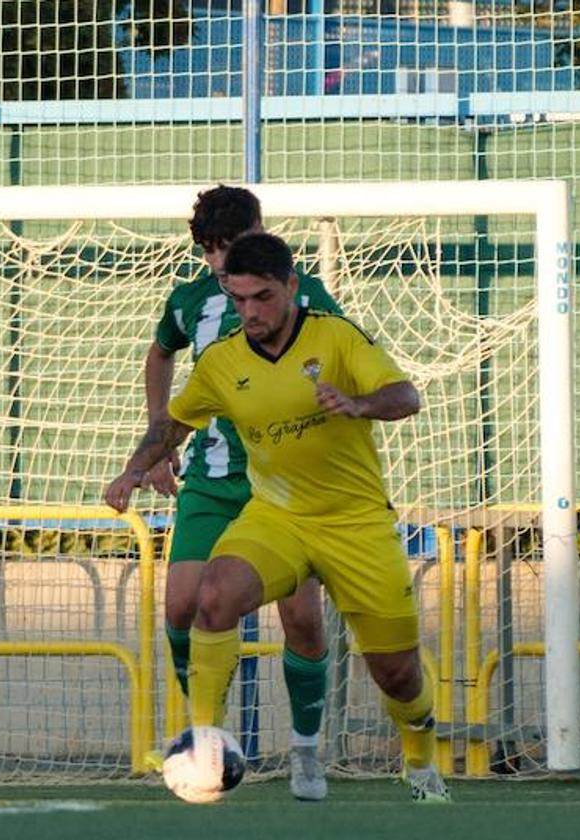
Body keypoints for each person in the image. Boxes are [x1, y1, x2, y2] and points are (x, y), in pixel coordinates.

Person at [106, 231, 450, 803]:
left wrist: (359, 404)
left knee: (397, 675)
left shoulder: (334, 338)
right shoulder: (222, 361)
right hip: (277, 519)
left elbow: (405, 395)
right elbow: (173, 424)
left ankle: (419, 759)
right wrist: (134, 469)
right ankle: (204, 746)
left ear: (291, 286)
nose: (250, 312)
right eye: (238, 299)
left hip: (355, 524)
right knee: (213, 596)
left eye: (261, 297)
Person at [134, 185, 340, 800]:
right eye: (213, 252)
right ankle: (207, 737)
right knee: (180, 607)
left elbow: (342, 354)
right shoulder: (190, 301)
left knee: (301, 618)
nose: (224, 264)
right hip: (211, 482)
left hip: (285, 487)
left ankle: (305, 751)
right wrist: (159, 434)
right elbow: (159, 354)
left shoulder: (305, 298)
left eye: (233, 247)